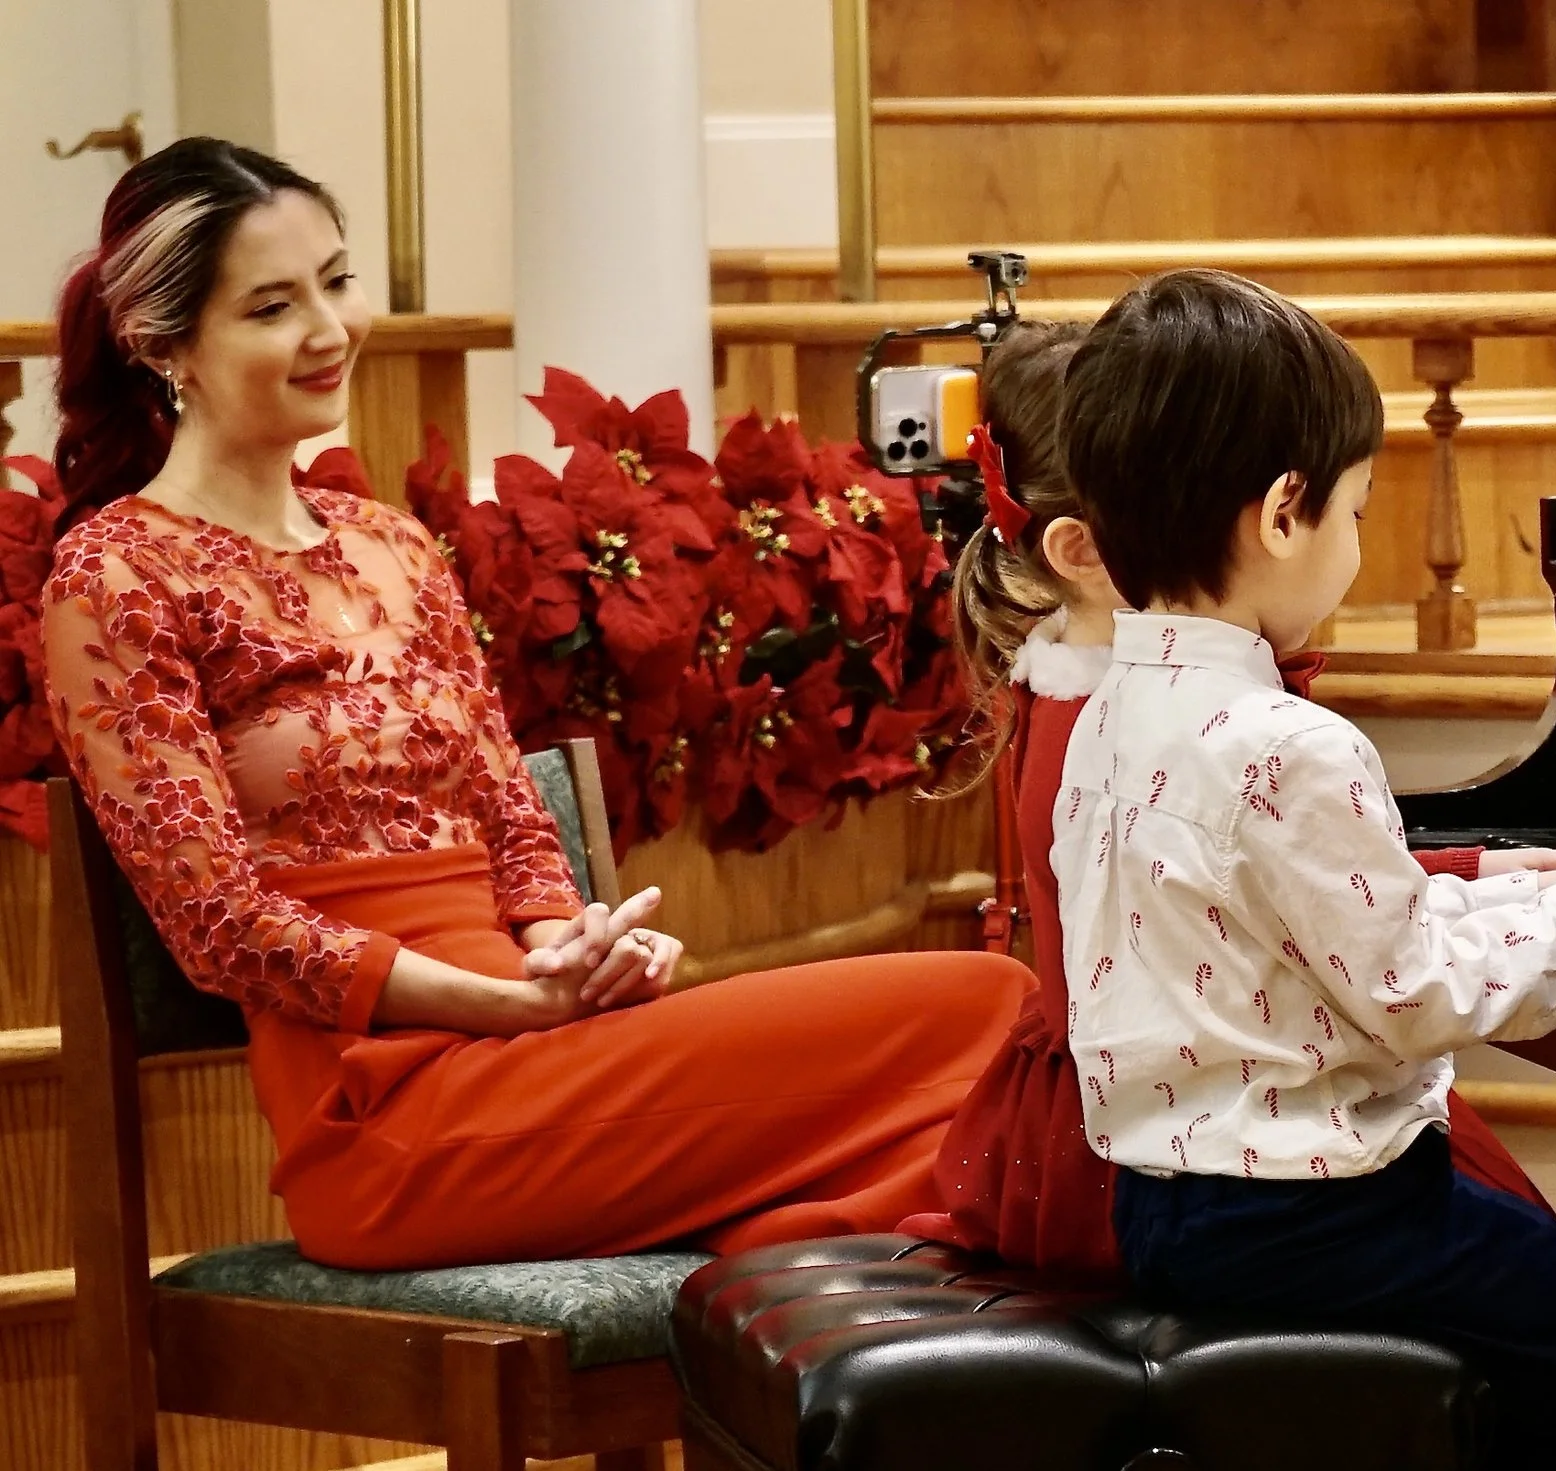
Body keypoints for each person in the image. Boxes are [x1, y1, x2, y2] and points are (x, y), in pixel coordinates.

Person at [39, 137, 1030, 1270]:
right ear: (163, 344)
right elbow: (222, 928)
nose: (330, 328)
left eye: (337, 279)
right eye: (272, 306)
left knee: (986, 1038)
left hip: (538, 1050)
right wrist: (498, 1006)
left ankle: (775, 1285)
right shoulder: (117, 573)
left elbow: (514, 825)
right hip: (390, 1123)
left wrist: (575, 952)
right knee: (984, 1012)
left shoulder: (392, 547)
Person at [1054, 269, 1556, 1468]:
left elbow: (1315, 925)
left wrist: (1529, 890)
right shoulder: (1290, 741)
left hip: (1164, 1203)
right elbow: (1414, 991)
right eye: (1359, 511)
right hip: (1316, 1214)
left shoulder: (1110, 714)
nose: (1357, 543)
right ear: (1282, 513)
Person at [909, 321, 1556, 1281]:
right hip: (1172, 1134)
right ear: (1085, 548)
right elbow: (1281, 914)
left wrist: (1473, 872)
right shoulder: (1121, 718)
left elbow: (1256, 885)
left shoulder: (1109, 697)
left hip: (1185, 1083)